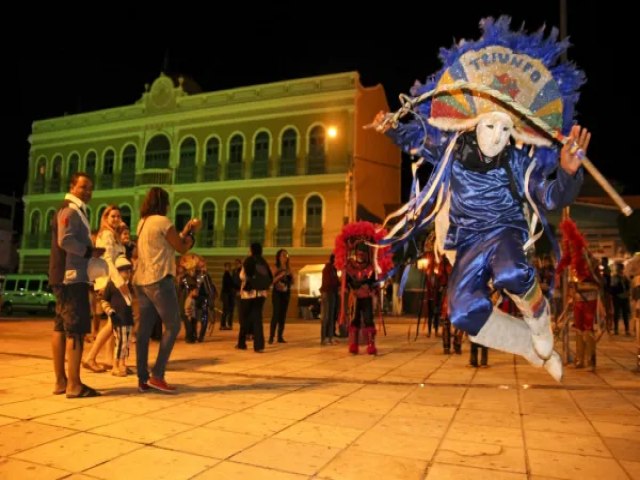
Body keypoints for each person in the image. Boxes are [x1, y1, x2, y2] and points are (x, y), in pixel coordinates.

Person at [372, 17, 592, 382]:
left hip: (505, 233)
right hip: (467, 242)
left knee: (510, 270)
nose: (497, 135)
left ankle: (540, 322)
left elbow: (551, 198)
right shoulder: (451, 148)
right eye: (490, 125)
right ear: (474, 124)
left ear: (514, 132)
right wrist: (392, 126)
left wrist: (568, 173)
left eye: (507, 129)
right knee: (462, 314)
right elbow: (415, 138)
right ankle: (530, 347)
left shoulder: (520, 161)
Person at [133, 186, 201, 393]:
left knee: (143, 331)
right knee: (173, 325)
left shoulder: (142, 223)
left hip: (141, 281)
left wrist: (185, 231)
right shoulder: (163, 221)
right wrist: (191, 236)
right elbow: (180, 247)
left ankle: (143, 378)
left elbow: (167, 244)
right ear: (164, 203)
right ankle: (158, 374)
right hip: (159, 279)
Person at [49, 172, 105, 398]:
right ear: (72, 187)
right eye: (83, 187)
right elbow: (65, 240)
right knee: (76, 330)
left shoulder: (73, 209)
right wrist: (89, 251)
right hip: (71, 277)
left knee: (61, 327)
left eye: (90, 188)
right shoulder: (71, 210)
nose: (88, 191)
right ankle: (74, 384)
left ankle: (61, 381)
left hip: (64, 277)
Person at [82, 205, 126, 374]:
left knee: (111, 321)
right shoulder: (106, 235)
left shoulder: (113, 235)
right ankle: (90, 357)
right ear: (105, 218)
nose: (116, 219)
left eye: (118, 216)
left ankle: (107, 358)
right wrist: (119, 281)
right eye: (112, 216)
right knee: (114, 321)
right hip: (110, 282)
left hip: (109, 281)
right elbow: (108, 260)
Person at [100, 256, 135, 376]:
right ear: (118, 272)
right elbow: (104, 301)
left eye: (129, 272)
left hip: (128, 319)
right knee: (120, 343)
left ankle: (122, 363)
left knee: (126, 344)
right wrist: (109, 311)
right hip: (118, 319)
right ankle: (115, 366)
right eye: (125, 272)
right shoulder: (111, 285)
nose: (128, 274)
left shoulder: (128, 285)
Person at [236, 243, 272, 352]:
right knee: (257, 319)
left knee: (245, 318)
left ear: (251, 250)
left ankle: (241, 343)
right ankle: (259, 345)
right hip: (261, 294)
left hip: (248, 294)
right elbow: (269, 277)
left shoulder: (249, 260)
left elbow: (242, 276)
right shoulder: (263, 261)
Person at [269, 249, 293, 344]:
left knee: (283, 315)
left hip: (286, 293)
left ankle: (280, 336)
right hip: (277, 293)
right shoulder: (275, 267)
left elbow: (293, 282)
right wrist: (281, 275)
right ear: (278, 257)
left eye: (286, 255)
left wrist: (291, 275)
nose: (285, 257)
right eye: (283, 255)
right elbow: (271, 281)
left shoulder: (288, 268)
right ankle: (271, 336)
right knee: (276, 314)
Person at [320, 253, 339, 345]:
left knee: (331, 316)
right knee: (327, 316)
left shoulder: (333, 269)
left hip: (332, 293)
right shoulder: (328, 268)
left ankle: (330, 337)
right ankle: (324, 338)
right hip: (328, 293)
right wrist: (338, 283)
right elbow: (329, 282)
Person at [611, 262, 631, 336]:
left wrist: (628, 293)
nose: (619, 270)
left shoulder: (625, 277)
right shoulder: (614, 277)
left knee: (625, 314)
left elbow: (628, 286)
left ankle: (627, 330)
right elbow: (612, 288)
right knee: (616, 314)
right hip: (617, 297)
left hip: (624, 297)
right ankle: (616, 329)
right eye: (618, 268)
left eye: (619, 268)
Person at [220, 262, 235, 330]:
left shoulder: (229, 275)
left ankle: (226, 324)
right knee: (226, 310)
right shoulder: (226, 275)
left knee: (227, 310)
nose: (229, 268)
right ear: (225, 268)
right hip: (226, 294)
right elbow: (229, 285)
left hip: (228, 294)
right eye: (227, 266)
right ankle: (223, 325)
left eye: (229, 266)